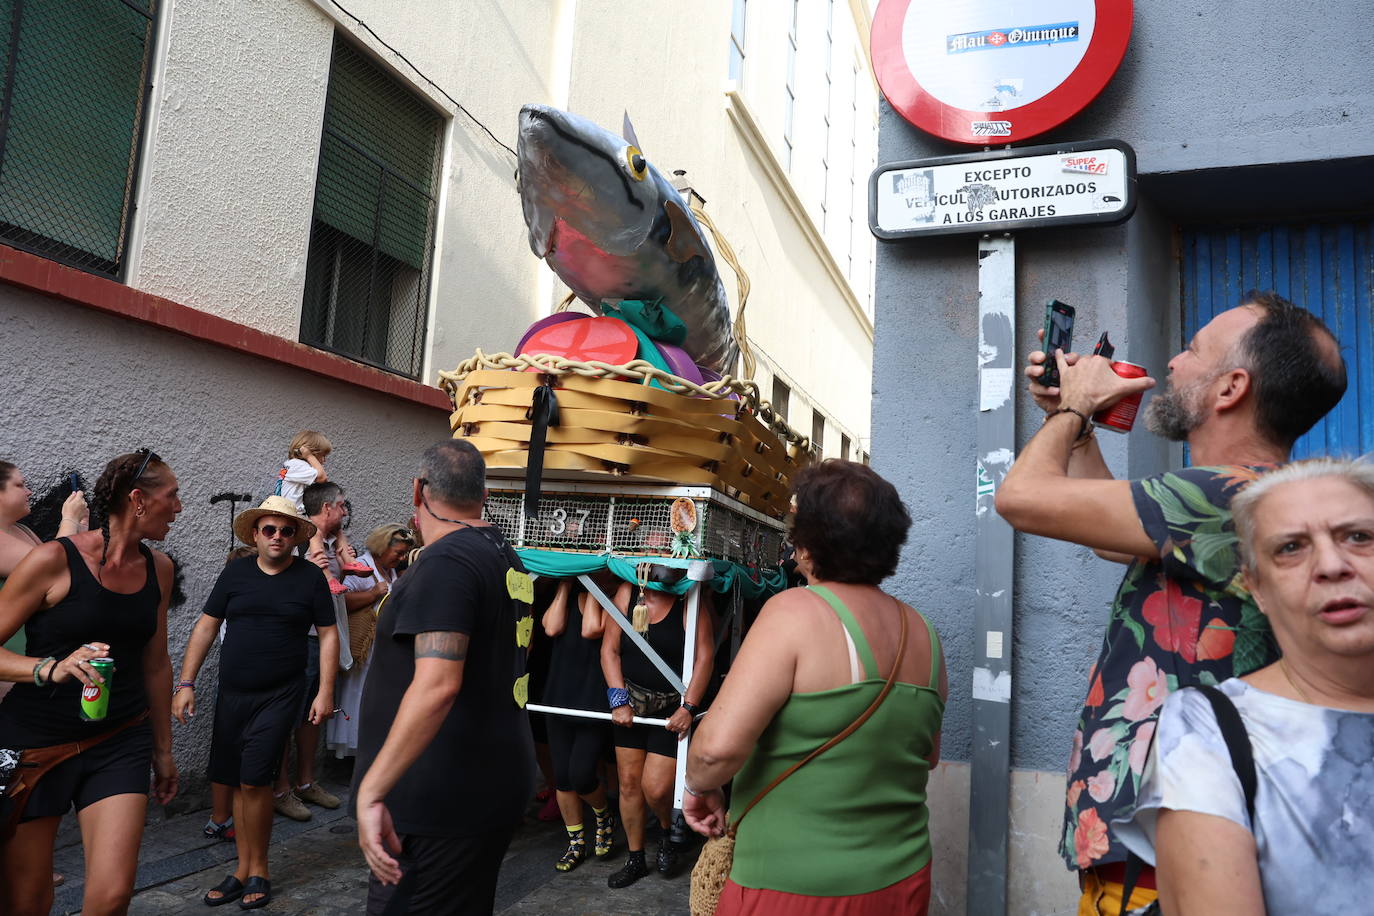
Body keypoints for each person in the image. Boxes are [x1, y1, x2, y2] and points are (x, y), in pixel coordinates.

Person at [995, 290, 1347, 914]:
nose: (1174, 364)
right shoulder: (1252, 496)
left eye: (1192, 350)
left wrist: (1073, 409)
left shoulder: (1219, 490)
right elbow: (1110, 539)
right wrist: (1075, 428)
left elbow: (1021, 498)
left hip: (1165, 876)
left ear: (1230, 387)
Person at [684, 460, 946, 914]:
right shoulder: (923, 633)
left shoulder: (793, 613)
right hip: (902, 881)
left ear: (807, 543)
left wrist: (696, 784)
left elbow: (714, 752)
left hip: (793, 887)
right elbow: (927, 756)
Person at [1115, 458, 1374, 913]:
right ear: (1255, 586)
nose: (1332, 565)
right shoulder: (1211, 729)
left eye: (1359, 537)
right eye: (1291, 548)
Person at [353, 440, 536, 916]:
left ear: (418, 490)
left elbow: (438, 685)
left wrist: (372, 793)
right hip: (482, 785)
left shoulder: (446, 563)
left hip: (437, 802)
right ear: (484, 494)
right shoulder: (503, 553)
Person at [0, 449, 181, 916]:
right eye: (173, 496)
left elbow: (156, 663)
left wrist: (163, 750)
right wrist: (47, 668)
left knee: (113, 895)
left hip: (119, 737)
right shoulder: (52, 561)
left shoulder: (160, 568)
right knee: (28, 900)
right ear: (138, 500)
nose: (179, 508)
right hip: (37, 744)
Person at [172, 495, 338, 909]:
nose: (278, 537)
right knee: (237, 781)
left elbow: (329, 634)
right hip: (233, 695)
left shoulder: (309, 578)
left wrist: (325, 691)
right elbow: (206, 626)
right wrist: (185, 682)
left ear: (296, 536)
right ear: (255, 535)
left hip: (281, 694)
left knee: (255, 780)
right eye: (269, 530)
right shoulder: (236, 575)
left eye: (285, 531)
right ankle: (241, 869)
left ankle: (258, 867)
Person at [601, 563, 714, 888]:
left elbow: (704, 657)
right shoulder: (626, 593)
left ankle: (667, 833)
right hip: (630, 706)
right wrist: (618, 699)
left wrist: (689, 708)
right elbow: (609, 650)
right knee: (628, 784)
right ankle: (635, 858)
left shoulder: (689, 599)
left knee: (656, 787)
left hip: (670, 710)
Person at [273, 480, 355, 820]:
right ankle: (280, 789)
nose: (346, 512)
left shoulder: (331, 542)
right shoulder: (301, 540)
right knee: (288, 716)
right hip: (302, 638)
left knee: (314, 716)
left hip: (323, 639)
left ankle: (306, 782)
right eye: (342, 506)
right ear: (326, 509)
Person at [541, 577, 617, 872]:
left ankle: (602, 814)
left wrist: (594, 589)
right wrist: (562, 586)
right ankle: (575, 843)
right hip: (558, 695)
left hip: (592, 699)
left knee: (582, 774)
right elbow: (551, 628)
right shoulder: (567, 595)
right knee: (562, 777)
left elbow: (591, 629)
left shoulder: (612, 600)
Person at [0, 461, 88, 706]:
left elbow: (68, 571)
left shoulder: (21, 531)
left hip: (31, 661)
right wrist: (68, 520)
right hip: (8, 663)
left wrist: (79, 530)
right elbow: (53, 568)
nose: (29, 491)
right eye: (20, 485)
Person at [327, 523, 413, 758]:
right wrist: (373, 593)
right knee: (357, 697)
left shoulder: (392, 571)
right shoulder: (362, 567)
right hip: (363, 649)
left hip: (381, 651)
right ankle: (355, 754)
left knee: (375, 701)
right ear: (382, 547)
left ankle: (372, 751)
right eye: (398, 552)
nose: (401, 557)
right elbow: (341, 601)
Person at [201, 544, 260, 845]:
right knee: (227, 754)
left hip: (247, 689)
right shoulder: (234, 602)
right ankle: (219, 819)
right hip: (235, 689)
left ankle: (228, 817)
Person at [271, 431, 369, 595]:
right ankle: (327, 576)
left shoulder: (293, 467)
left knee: (337, 529)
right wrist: (309, 456)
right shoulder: (297, 464)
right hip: (293, 514)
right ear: (308, 451)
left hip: (295, 512)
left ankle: (349, 561)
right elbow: (323, 477)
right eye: (321, 456)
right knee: (315, 531)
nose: (323, 461)